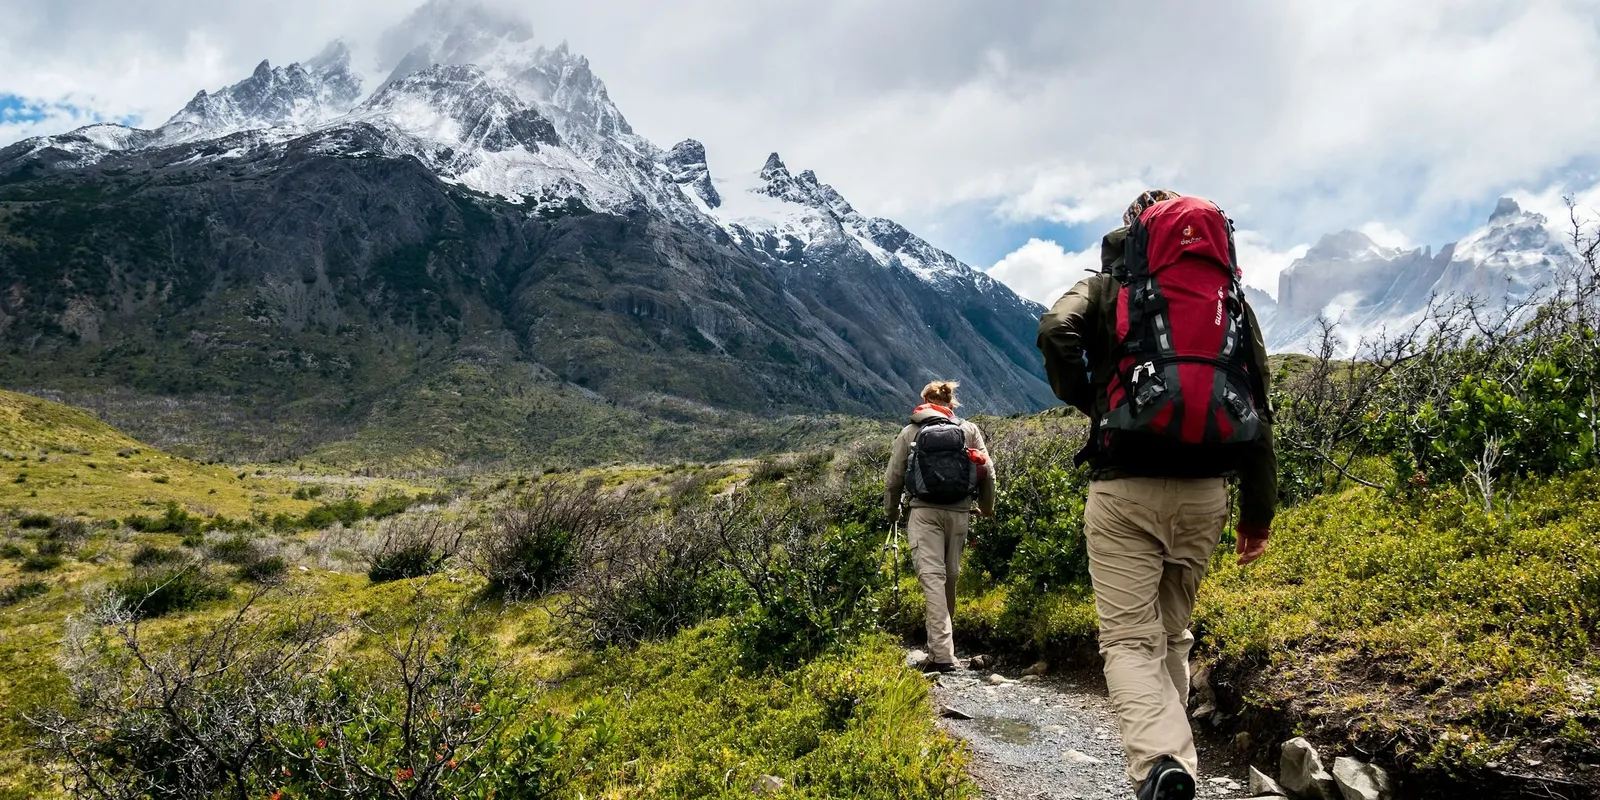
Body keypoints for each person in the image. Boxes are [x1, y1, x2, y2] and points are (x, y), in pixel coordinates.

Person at [1037, 190, 1277, 800]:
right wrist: (1258, 515)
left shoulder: (1110, 288)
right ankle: (1180, 771)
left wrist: (1095, 400)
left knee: (1126, 639)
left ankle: (1159, 764)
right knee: (1172, 633)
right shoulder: (1231, 303)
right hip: (1207, 495)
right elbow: (1256, 401)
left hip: (1126, 488)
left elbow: (1054, 328)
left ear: (1135, 232)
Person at [884, 380, 996, 672]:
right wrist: (986, 508)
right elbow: (988, 471)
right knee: (950, 578)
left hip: (924, 514)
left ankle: (942, 656)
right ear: (951, 403)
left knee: (932, 579)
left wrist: (893, 511)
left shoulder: (910, 431)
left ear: (923, 401)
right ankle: (945, 647)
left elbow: (893, 478)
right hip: (959, 513)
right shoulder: (968, 430)